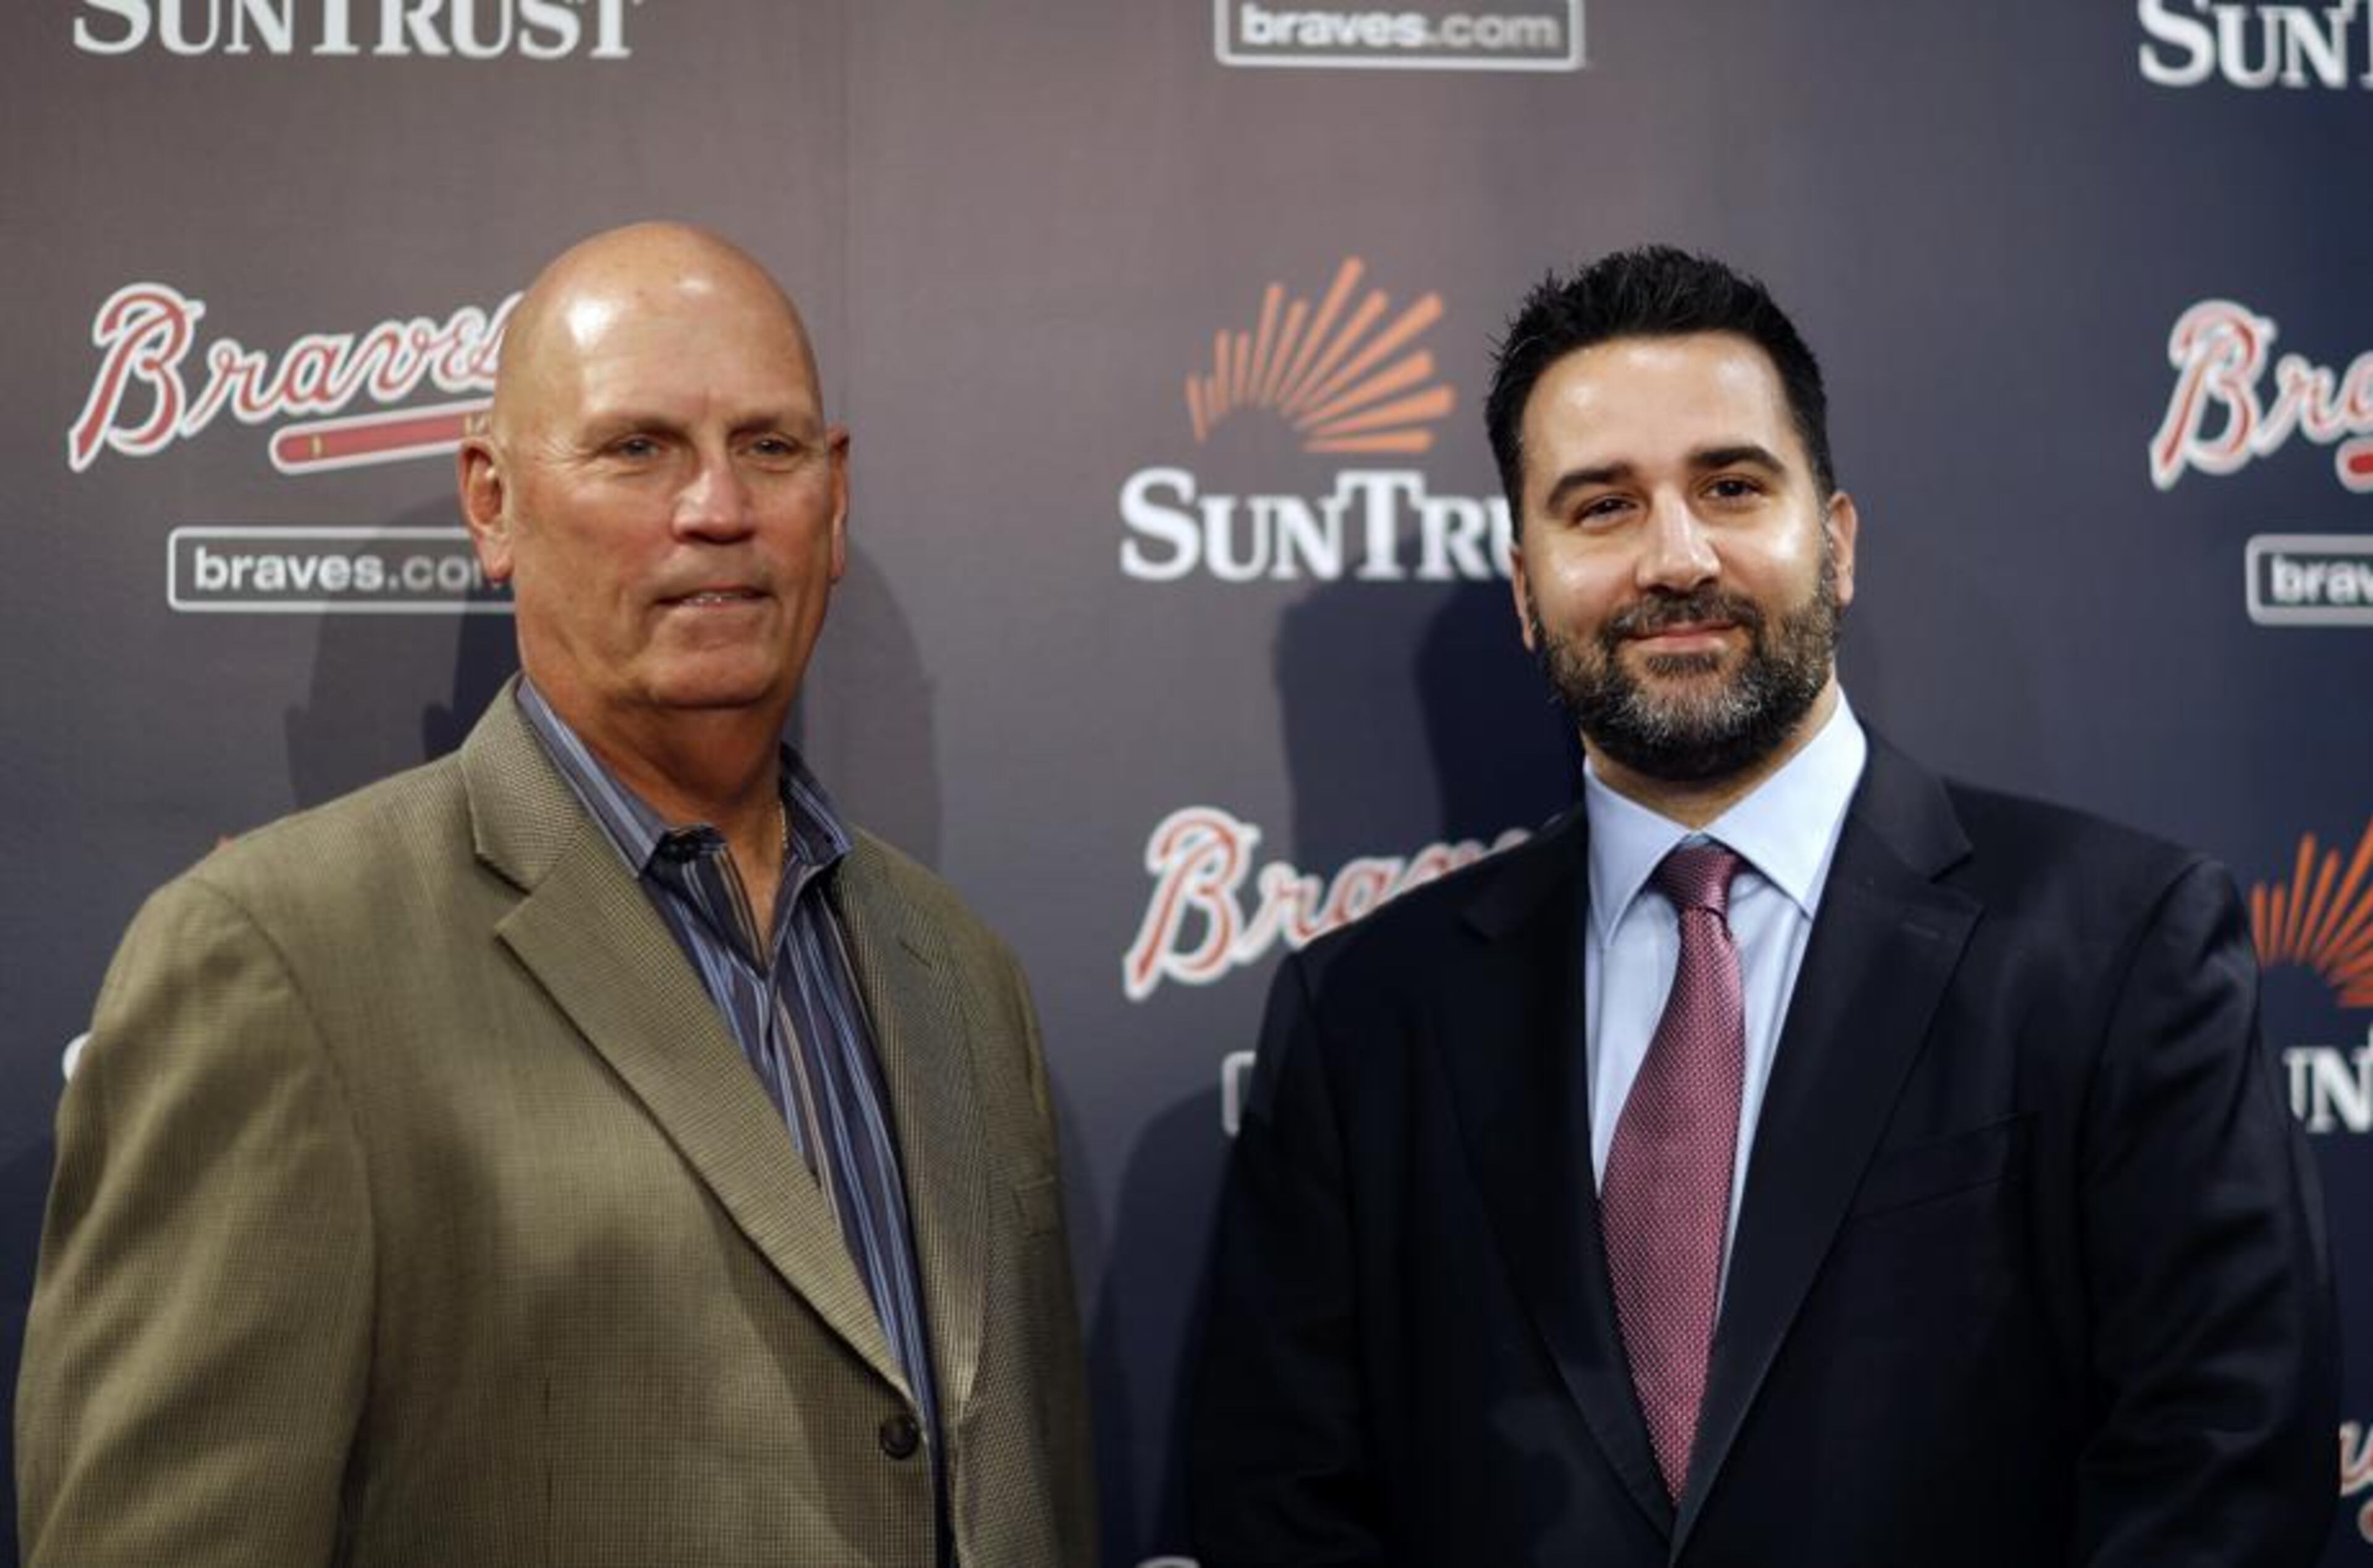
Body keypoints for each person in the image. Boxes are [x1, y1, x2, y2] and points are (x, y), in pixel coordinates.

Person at [1188, 245, 2335, 1567]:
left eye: (1731, 486)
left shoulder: (2121, 948)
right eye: (1602, 507)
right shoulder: (1366, 1019)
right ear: (1523, 586)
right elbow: (1280, 1504)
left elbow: (2224, 1474)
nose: (1677, 558)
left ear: (1835, 544)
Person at [18, 222, 1094, 1568]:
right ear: (492, 500)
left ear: (835, 497)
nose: (717, 507)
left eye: (768, 447)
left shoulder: (960, 969)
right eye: (637, 447)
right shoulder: (280, 964)